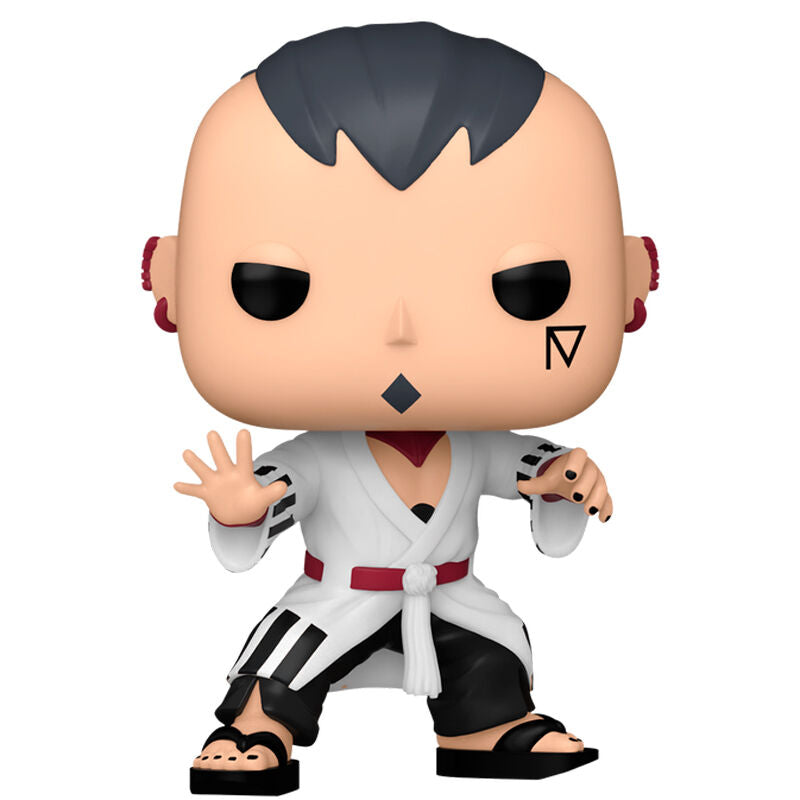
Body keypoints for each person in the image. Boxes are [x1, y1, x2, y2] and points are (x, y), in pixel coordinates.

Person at [143, 21, 658, 795]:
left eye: (533, 288)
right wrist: (243, 510)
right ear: (169, 281)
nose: (401, 332)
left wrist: (561, 481)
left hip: (449, 597)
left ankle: (484, 728)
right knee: (279, 670)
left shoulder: (476, 443)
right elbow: (278, 495)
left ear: (631, 279)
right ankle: (256, 730)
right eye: (272, 289)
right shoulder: (321, 455)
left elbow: (530, 467)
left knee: (493, 658)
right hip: (338, 597)